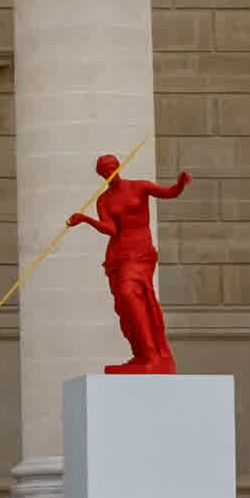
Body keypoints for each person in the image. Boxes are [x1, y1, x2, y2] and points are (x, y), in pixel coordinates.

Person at [71, 151, 188, 376]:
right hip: (119, 255)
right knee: (125, 305)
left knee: (129, 294)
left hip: (140, 252)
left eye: (111, 166)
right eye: (104, 170)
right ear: (101, 174)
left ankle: (153, 355)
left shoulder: (139, 187)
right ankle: (143, 354)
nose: (109, 171)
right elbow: (112, 229)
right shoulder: (104, 200)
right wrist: (85, 219)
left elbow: (169, 193)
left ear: (118, 166)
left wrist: (180, 183)